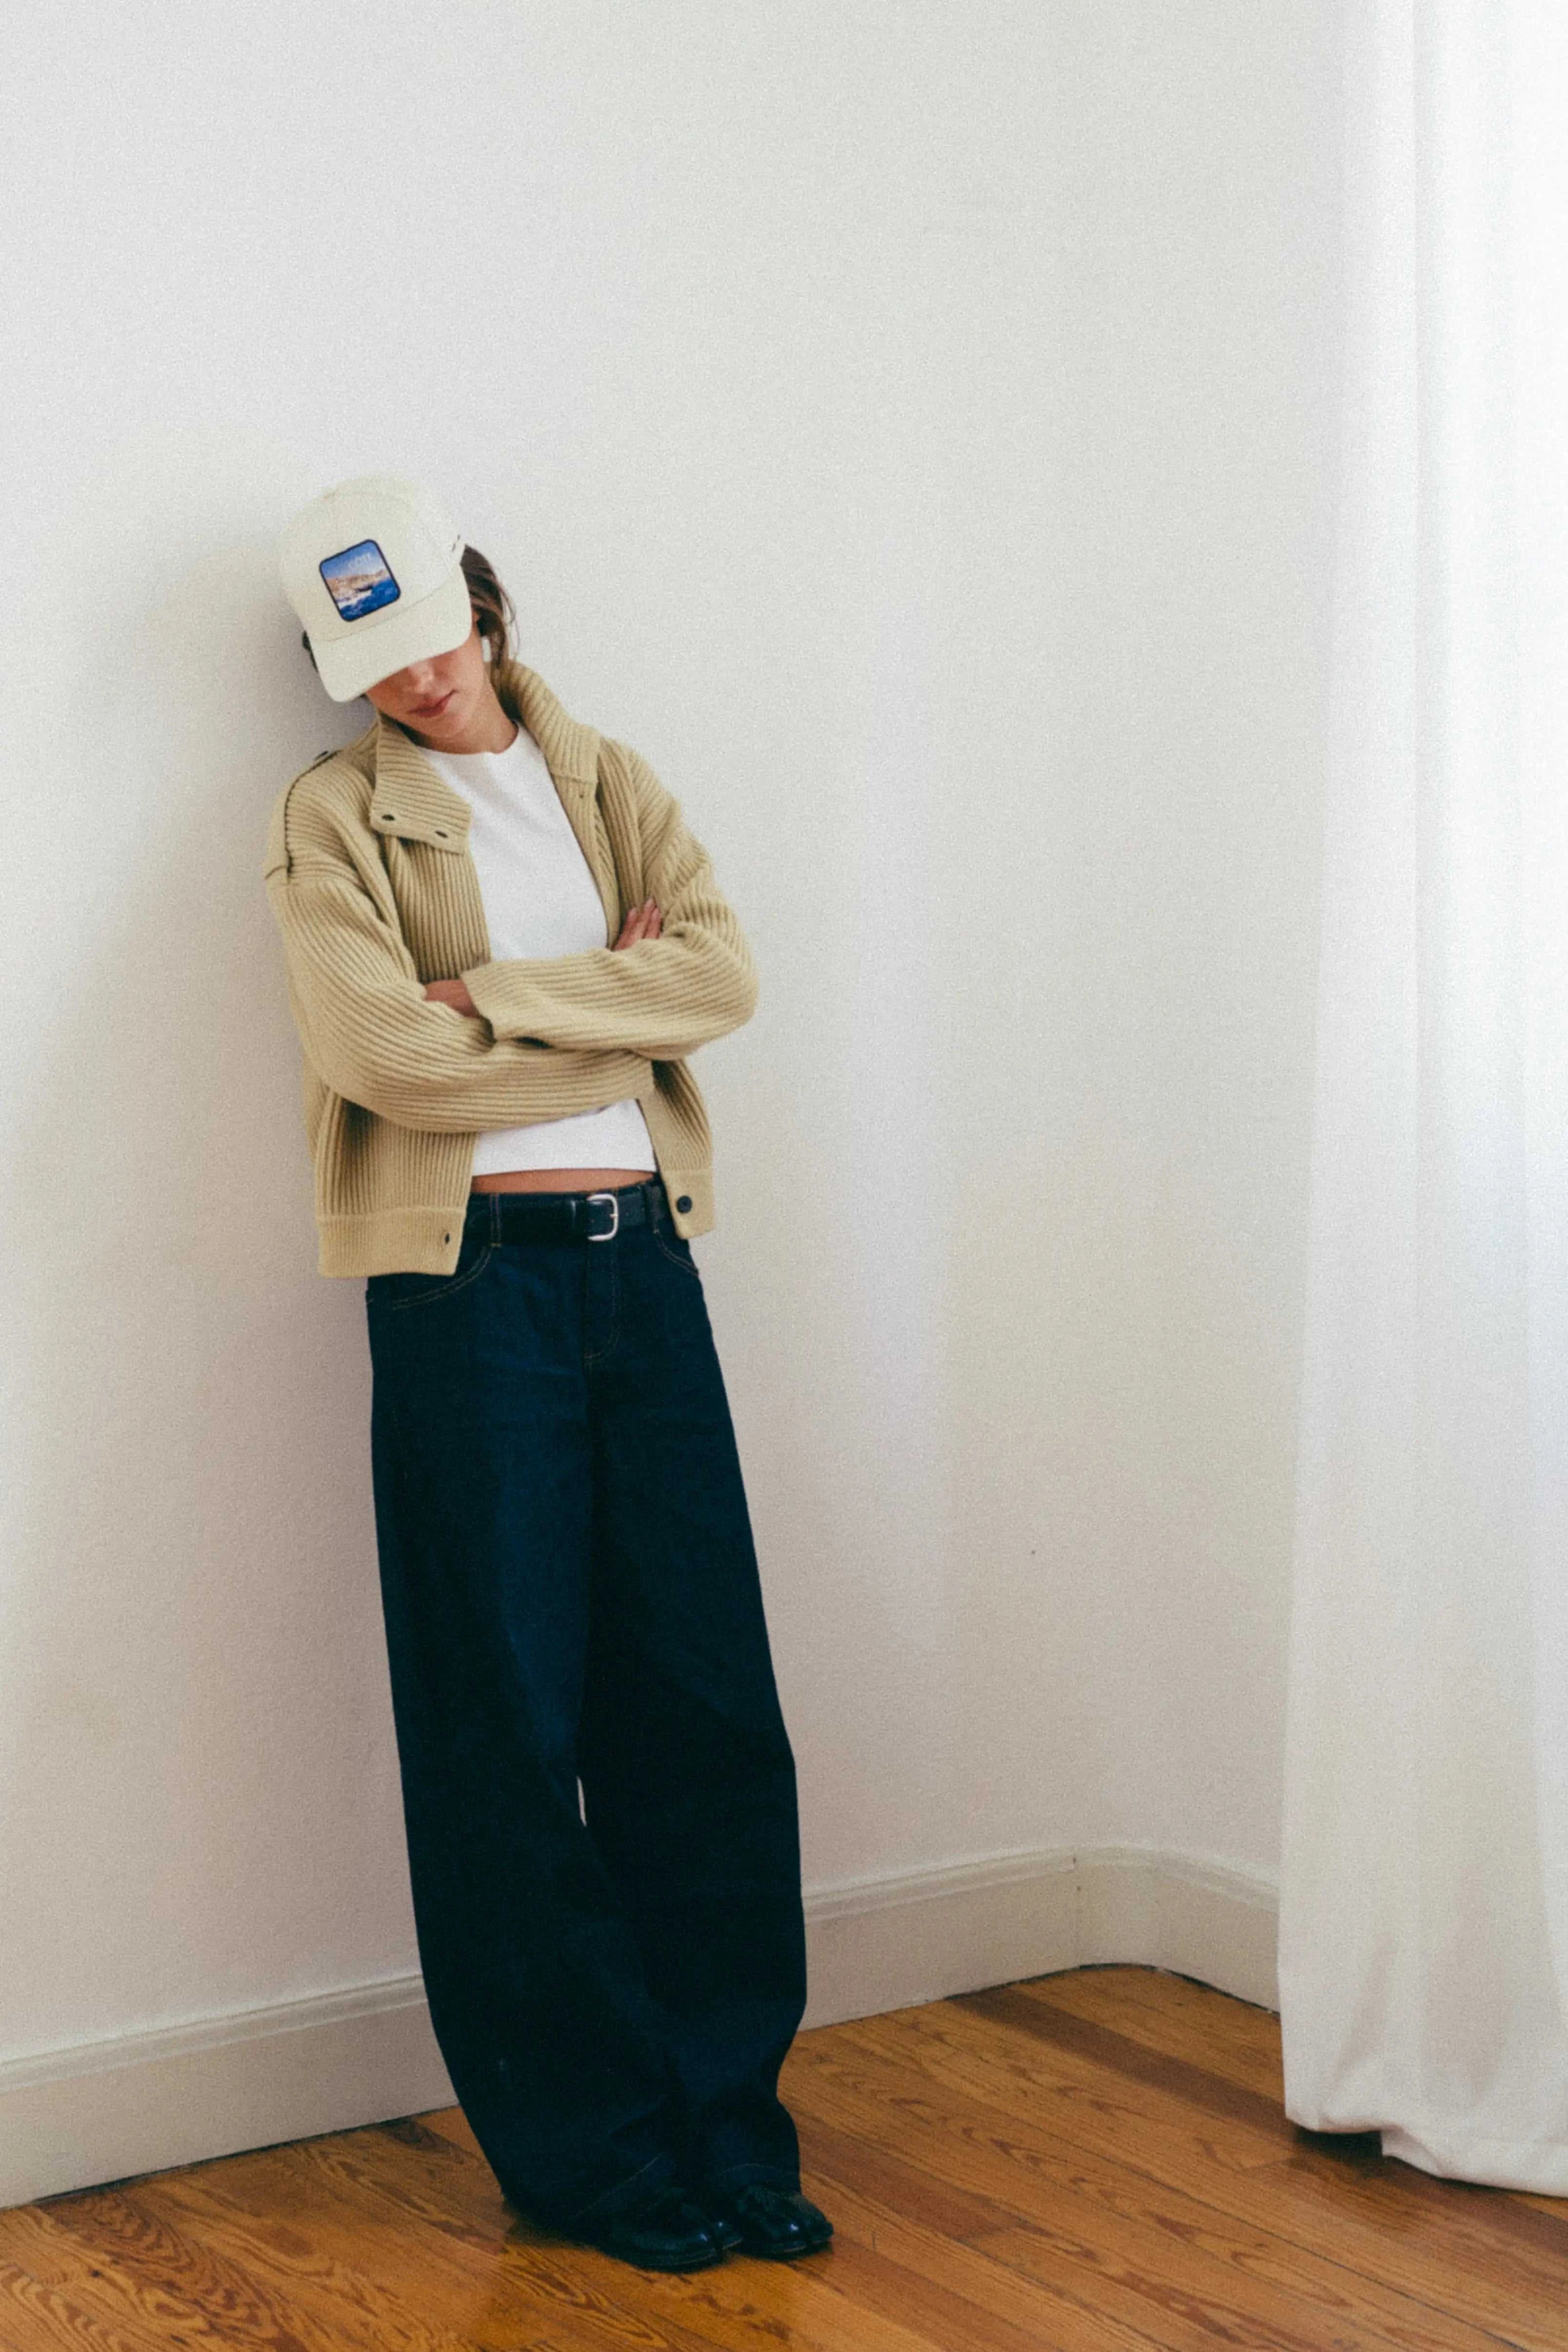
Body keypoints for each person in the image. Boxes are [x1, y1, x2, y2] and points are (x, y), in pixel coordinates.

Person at [264, 474, 830, 2272]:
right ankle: (589, 2156)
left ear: (486, 608)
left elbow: (725, 979)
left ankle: (729, 2129)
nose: (413, 680)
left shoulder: (610, 780)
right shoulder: (331, 819)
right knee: (505, 1726)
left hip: (642, 1272)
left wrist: (492, 997)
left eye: (431, 634)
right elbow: (383, 1063)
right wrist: (597, 993)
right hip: (467, 1291)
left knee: (706, 1709)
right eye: (370, 662)